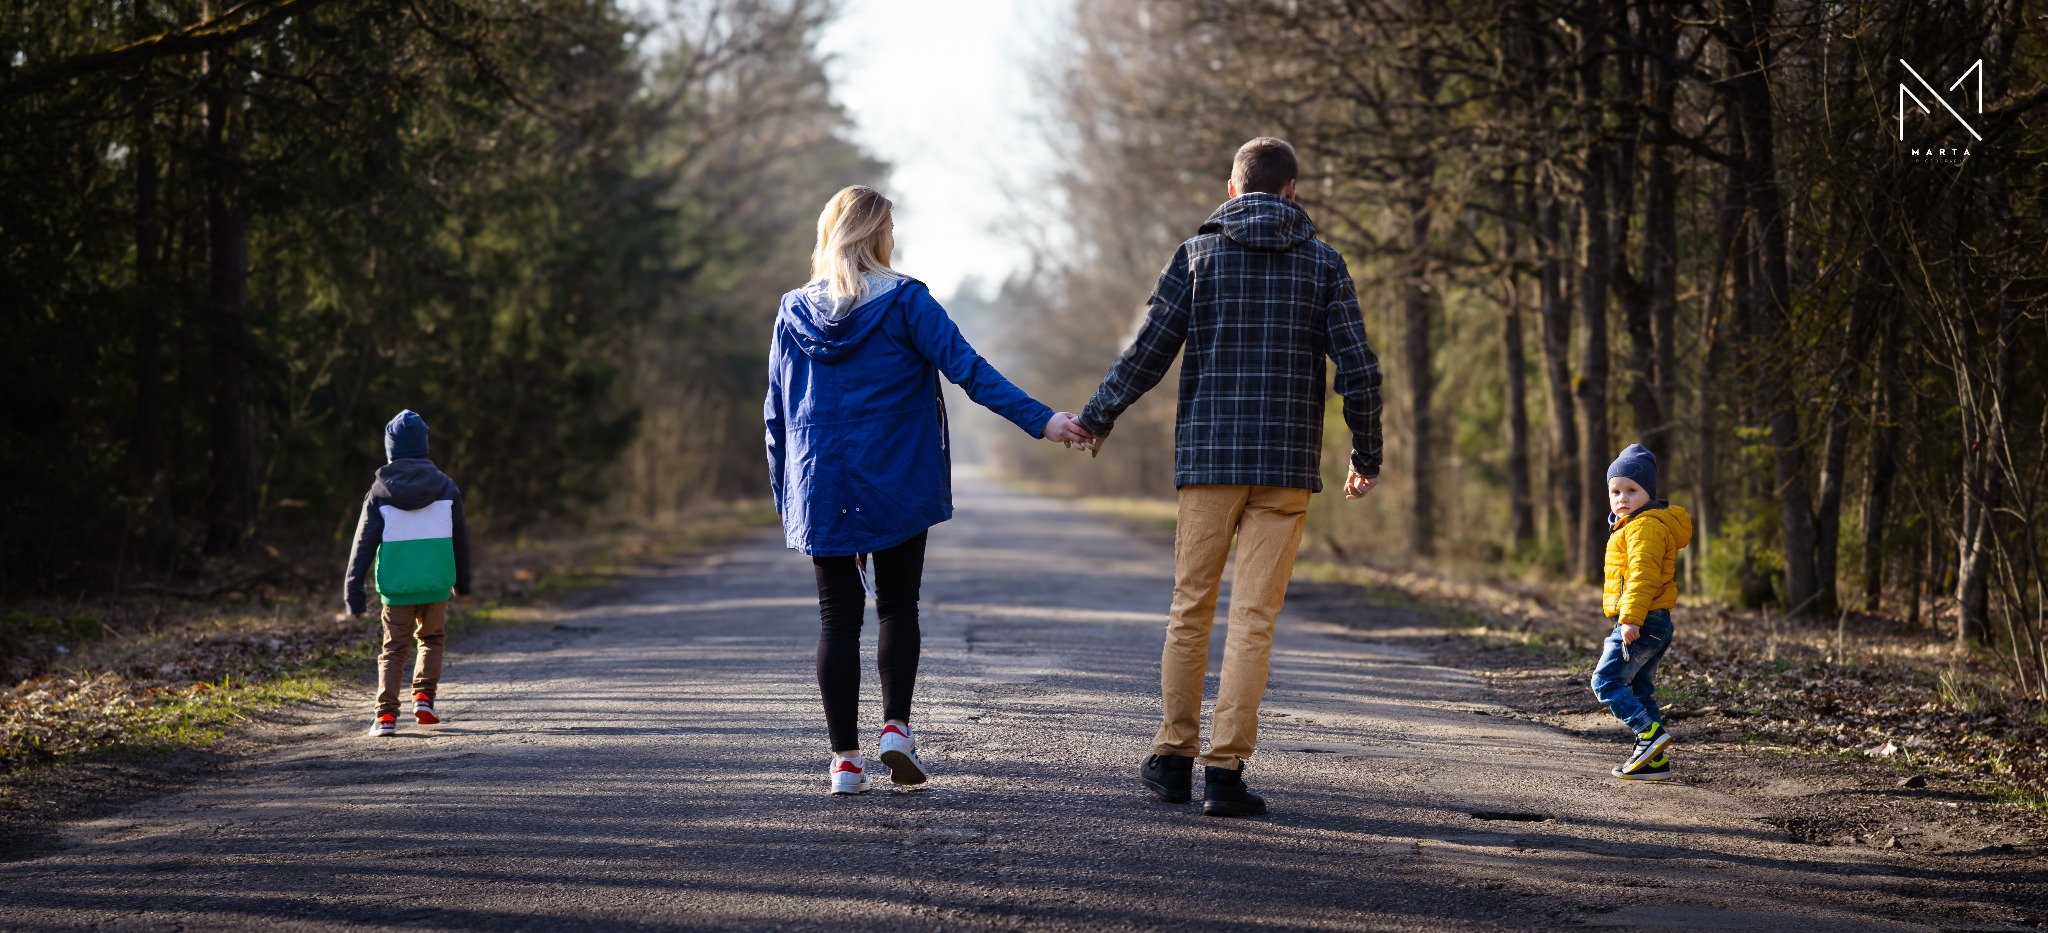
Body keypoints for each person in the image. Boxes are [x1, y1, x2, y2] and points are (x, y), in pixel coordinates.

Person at [1074, 137, 1384, 817]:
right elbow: (1359, 369)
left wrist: (1099, 416)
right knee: (1254, 619)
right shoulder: (1325, 263)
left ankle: (1172, 757)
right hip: (1286, 468)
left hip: (1211, 462)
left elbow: (1147, 350)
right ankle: (1224, 772)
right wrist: (1366, 454)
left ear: (1233, 188)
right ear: (1293, 191)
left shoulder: (1197, 255)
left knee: (1192, 610)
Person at [766, 184, 1095, 795]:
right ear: (879, 235)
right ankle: (895, 729)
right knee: (896, 606)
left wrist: (787, 495)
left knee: (837, 620)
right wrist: (1044, 421)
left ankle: (844, 762)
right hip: (895, 476)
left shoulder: (793, 311)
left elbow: (776, 413)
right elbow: (970, 370)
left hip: (820, 481)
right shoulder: (906, 301)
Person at [344, 410, 472, 737]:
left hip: (397, 587)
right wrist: (465, 584)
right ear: (424, 448)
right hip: (436, 583)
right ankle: (424, 698)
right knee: (431, 639)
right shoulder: (447, 488)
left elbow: (363, 544)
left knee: (394, 649)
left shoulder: (379, 493)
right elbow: (461, 540)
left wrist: (353, 592)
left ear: (390, 451)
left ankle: (385, 717)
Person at [1592, 443, 1693, 780]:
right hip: (1655, 621)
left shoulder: (1644, 526)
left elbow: (1643, 575)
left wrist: (1630, 619)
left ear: (1647, 492)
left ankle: (1648, 735)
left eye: (1632, 490)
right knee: (1638, 689)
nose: (1622, 498)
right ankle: (1654, 761)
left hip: (1643, 619)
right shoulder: (1634, 524)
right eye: (1615, 491)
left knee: (1605, 680)